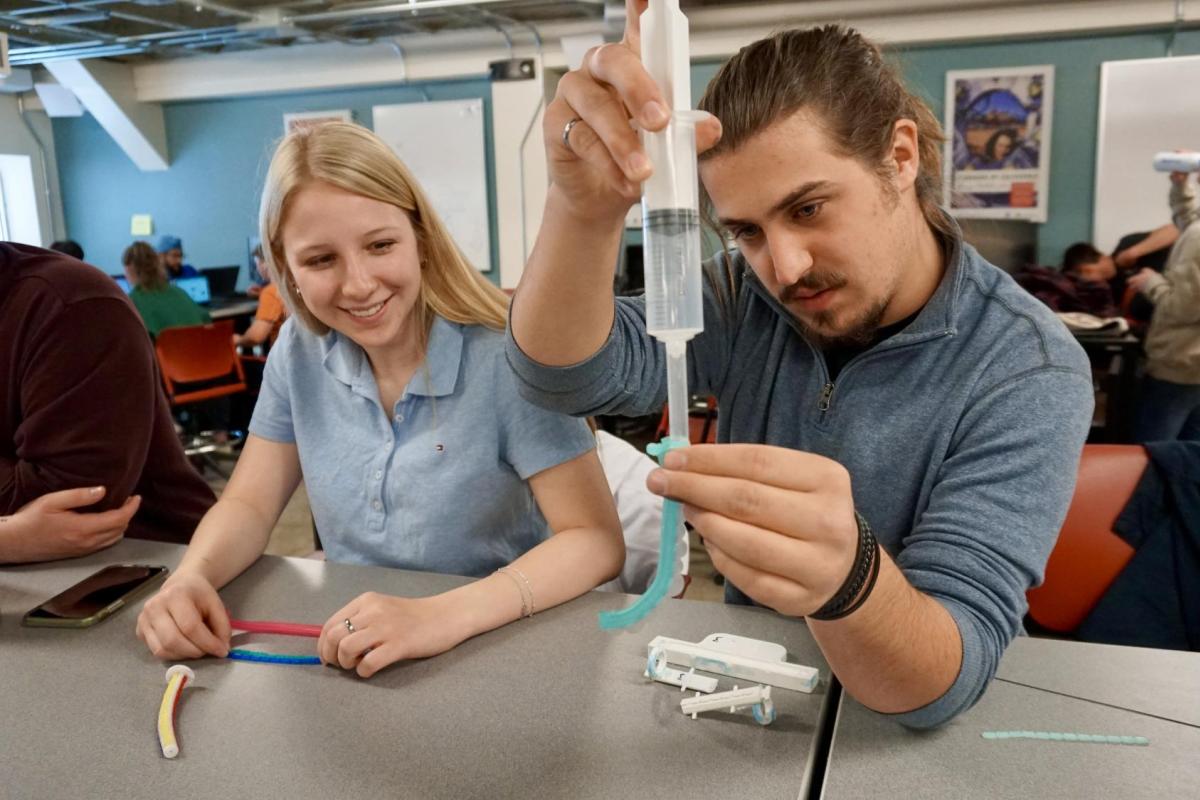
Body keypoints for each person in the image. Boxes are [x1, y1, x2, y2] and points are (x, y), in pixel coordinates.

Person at [506, 16, 1092, 729]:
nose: (784, 269)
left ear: (900, 156)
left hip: (905, 737)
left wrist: (850, 579)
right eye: (747, 231)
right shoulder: (740, 294)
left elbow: (944, 677)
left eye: (809, 209)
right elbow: (564, 378)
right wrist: (580, 211)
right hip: (762, 704)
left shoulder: (1026, 367)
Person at [136, 122, 623, 678]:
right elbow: (248, 504)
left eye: (380, 245)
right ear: (284, 270)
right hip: (363, 646)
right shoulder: (297, 348)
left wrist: (441, 615)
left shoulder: (506, 356)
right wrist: (192, 577)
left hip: (498, 644)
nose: (360, 284)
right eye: (321, 260)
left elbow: (594, 540)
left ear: (421, 240)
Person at [0, 242, 216, 561]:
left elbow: (68, 505)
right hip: (207, 371)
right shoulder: (178, 293)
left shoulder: (73, 303)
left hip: (146, 560)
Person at [1128, 168, 1200, 441]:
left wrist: (1151, 283)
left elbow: (1184, 308)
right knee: (1190, 452)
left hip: (1181, 365)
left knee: (1156, 450)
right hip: (1192, 365)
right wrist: (1181, 188)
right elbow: (1189, 218)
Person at [123, 241, 211, 338]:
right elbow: (205, 318)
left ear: (129, 268)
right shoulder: (179, 292)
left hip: (166, 347)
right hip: (198, 346)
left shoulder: (132, 302)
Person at [233, 244, 287, 349]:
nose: (257, 268)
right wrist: (262, 292)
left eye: (257, 263)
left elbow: (256, 337)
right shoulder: (291, 287)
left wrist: (238, 339)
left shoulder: (270, 293)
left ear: (265, 264)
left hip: (281, 355)